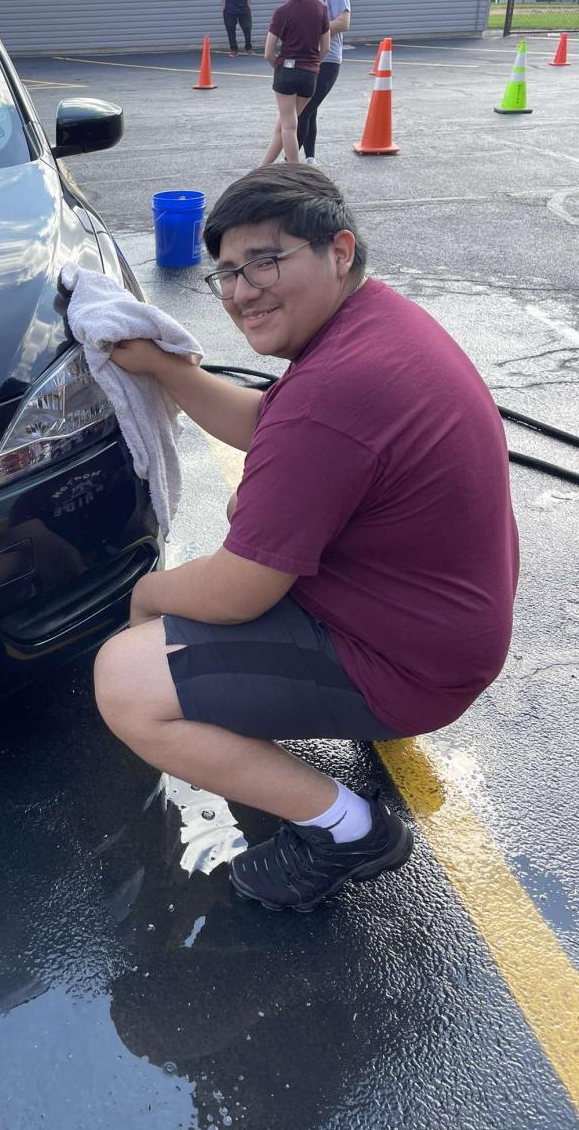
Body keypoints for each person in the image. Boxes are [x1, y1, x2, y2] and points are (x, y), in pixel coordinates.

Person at [93, 165, 519, 913]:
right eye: (228, 273)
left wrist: (149, 593)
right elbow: (270, 428)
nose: (241, 291)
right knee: (246, 515)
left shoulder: (336, 391)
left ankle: (350, 831)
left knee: (126, 680)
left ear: (338, 251)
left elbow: (239, 590)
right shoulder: (373, 325)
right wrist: (164, 367)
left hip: (408, 665)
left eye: (265, 261)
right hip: (429, 622)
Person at [260, 0, 330, 166]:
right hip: (310, 75)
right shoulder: (321, 8)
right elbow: (326, 47)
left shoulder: (282, 11)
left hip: (287, 73)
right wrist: (313, 65)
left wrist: (280, 67)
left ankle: (294, 170)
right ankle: (260, 170)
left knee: (288, 126)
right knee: (283, 126)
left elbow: (268, 52)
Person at [296, 0, 351, 167]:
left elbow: (344, 23)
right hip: (307, 58)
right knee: (310, 110)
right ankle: (310, 159)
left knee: (304, 110)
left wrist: (314, 30)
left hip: (328, 59)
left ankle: (290, 161)